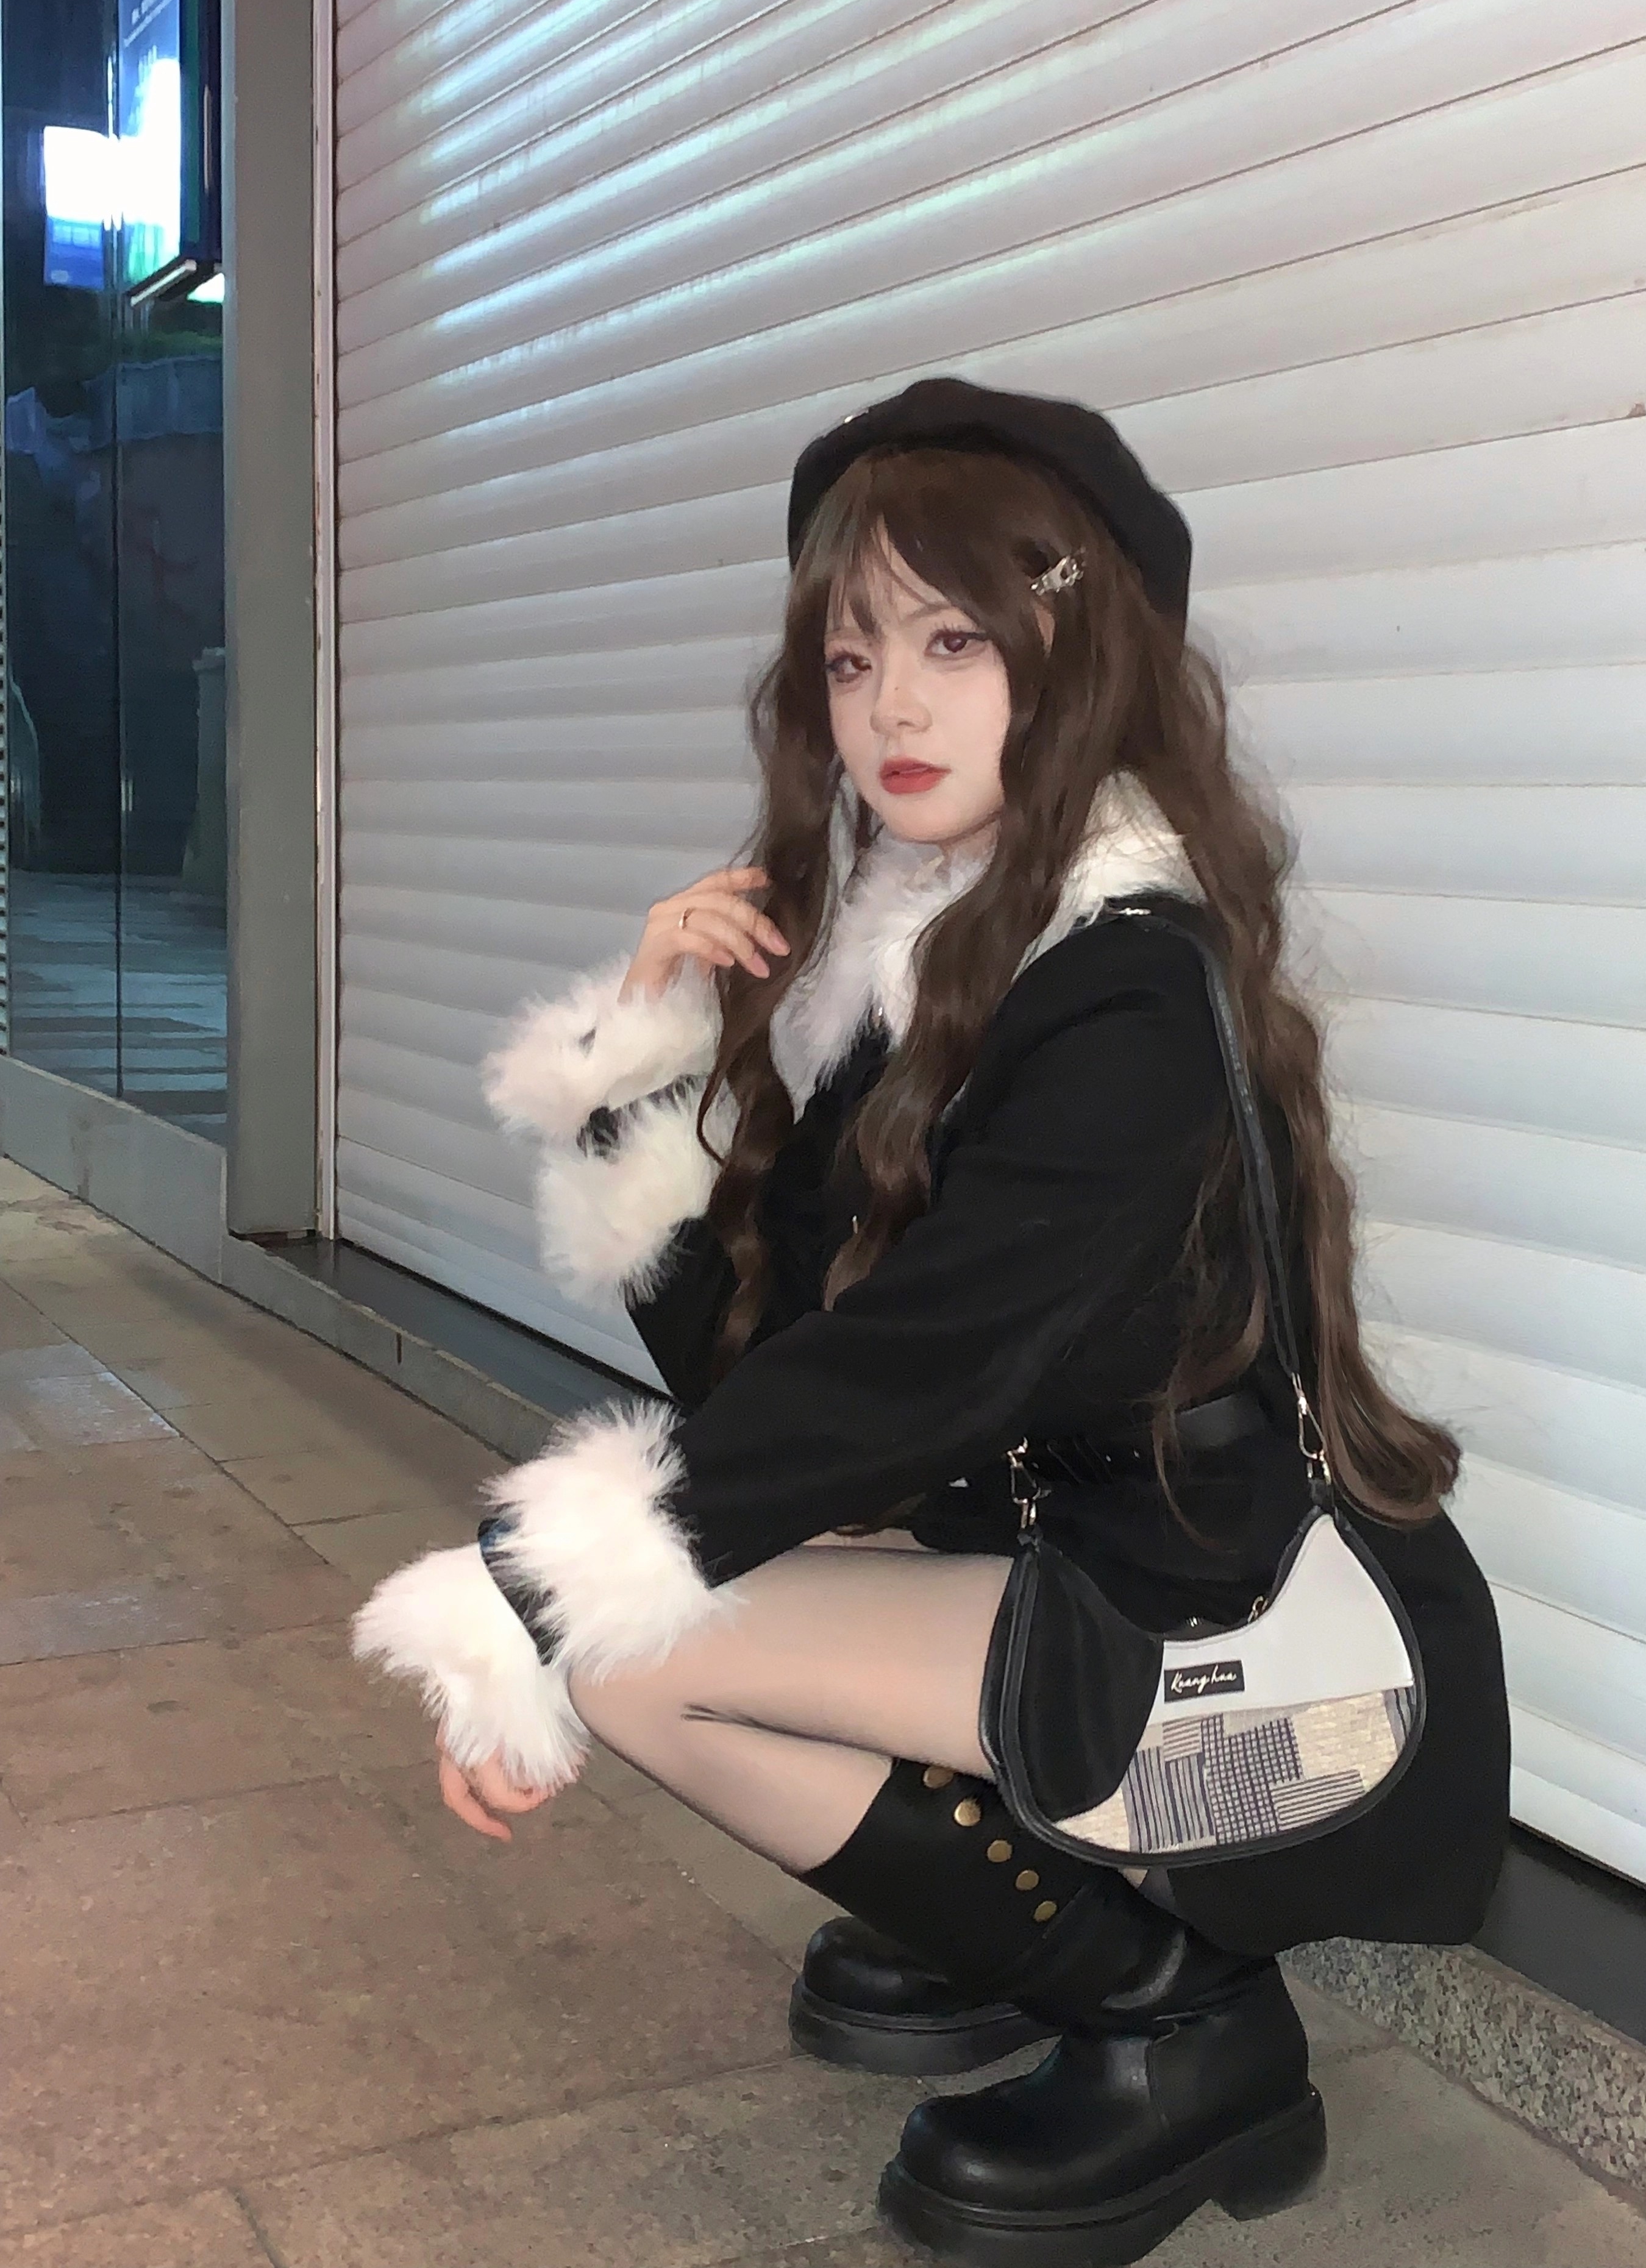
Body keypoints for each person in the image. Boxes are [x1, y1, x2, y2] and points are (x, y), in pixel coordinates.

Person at [352, 378, 1511, 2268]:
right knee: (704, 1571)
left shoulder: (1124, 990)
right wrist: (651, 1052)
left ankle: (1183, 2025)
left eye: (955, 641)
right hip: (1059, 1542)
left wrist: (534, 1593)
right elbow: (765, 1373)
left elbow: (908, 1380)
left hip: (1210, 1608)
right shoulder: (931, 962)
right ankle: (1016, 1929)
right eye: (851, 654)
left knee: (635, 1657)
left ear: (1080, 657)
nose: (892, 706)